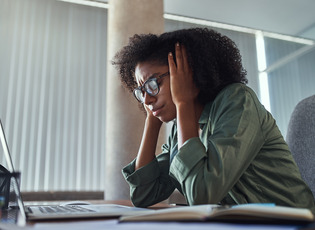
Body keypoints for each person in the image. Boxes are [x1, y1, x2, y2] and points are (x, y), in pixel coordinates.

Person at [112, 27, 315, 213]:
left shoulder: (238, 102)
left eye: (153, 83)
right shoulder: (180, 129)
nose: (147, 98)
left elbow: (202, 195)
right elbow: (143, 195)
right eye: (141, 91)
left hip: (292, 222)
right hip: (243, 224)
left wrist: (183, 103)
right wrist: (152, 120)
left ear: (187, 74)